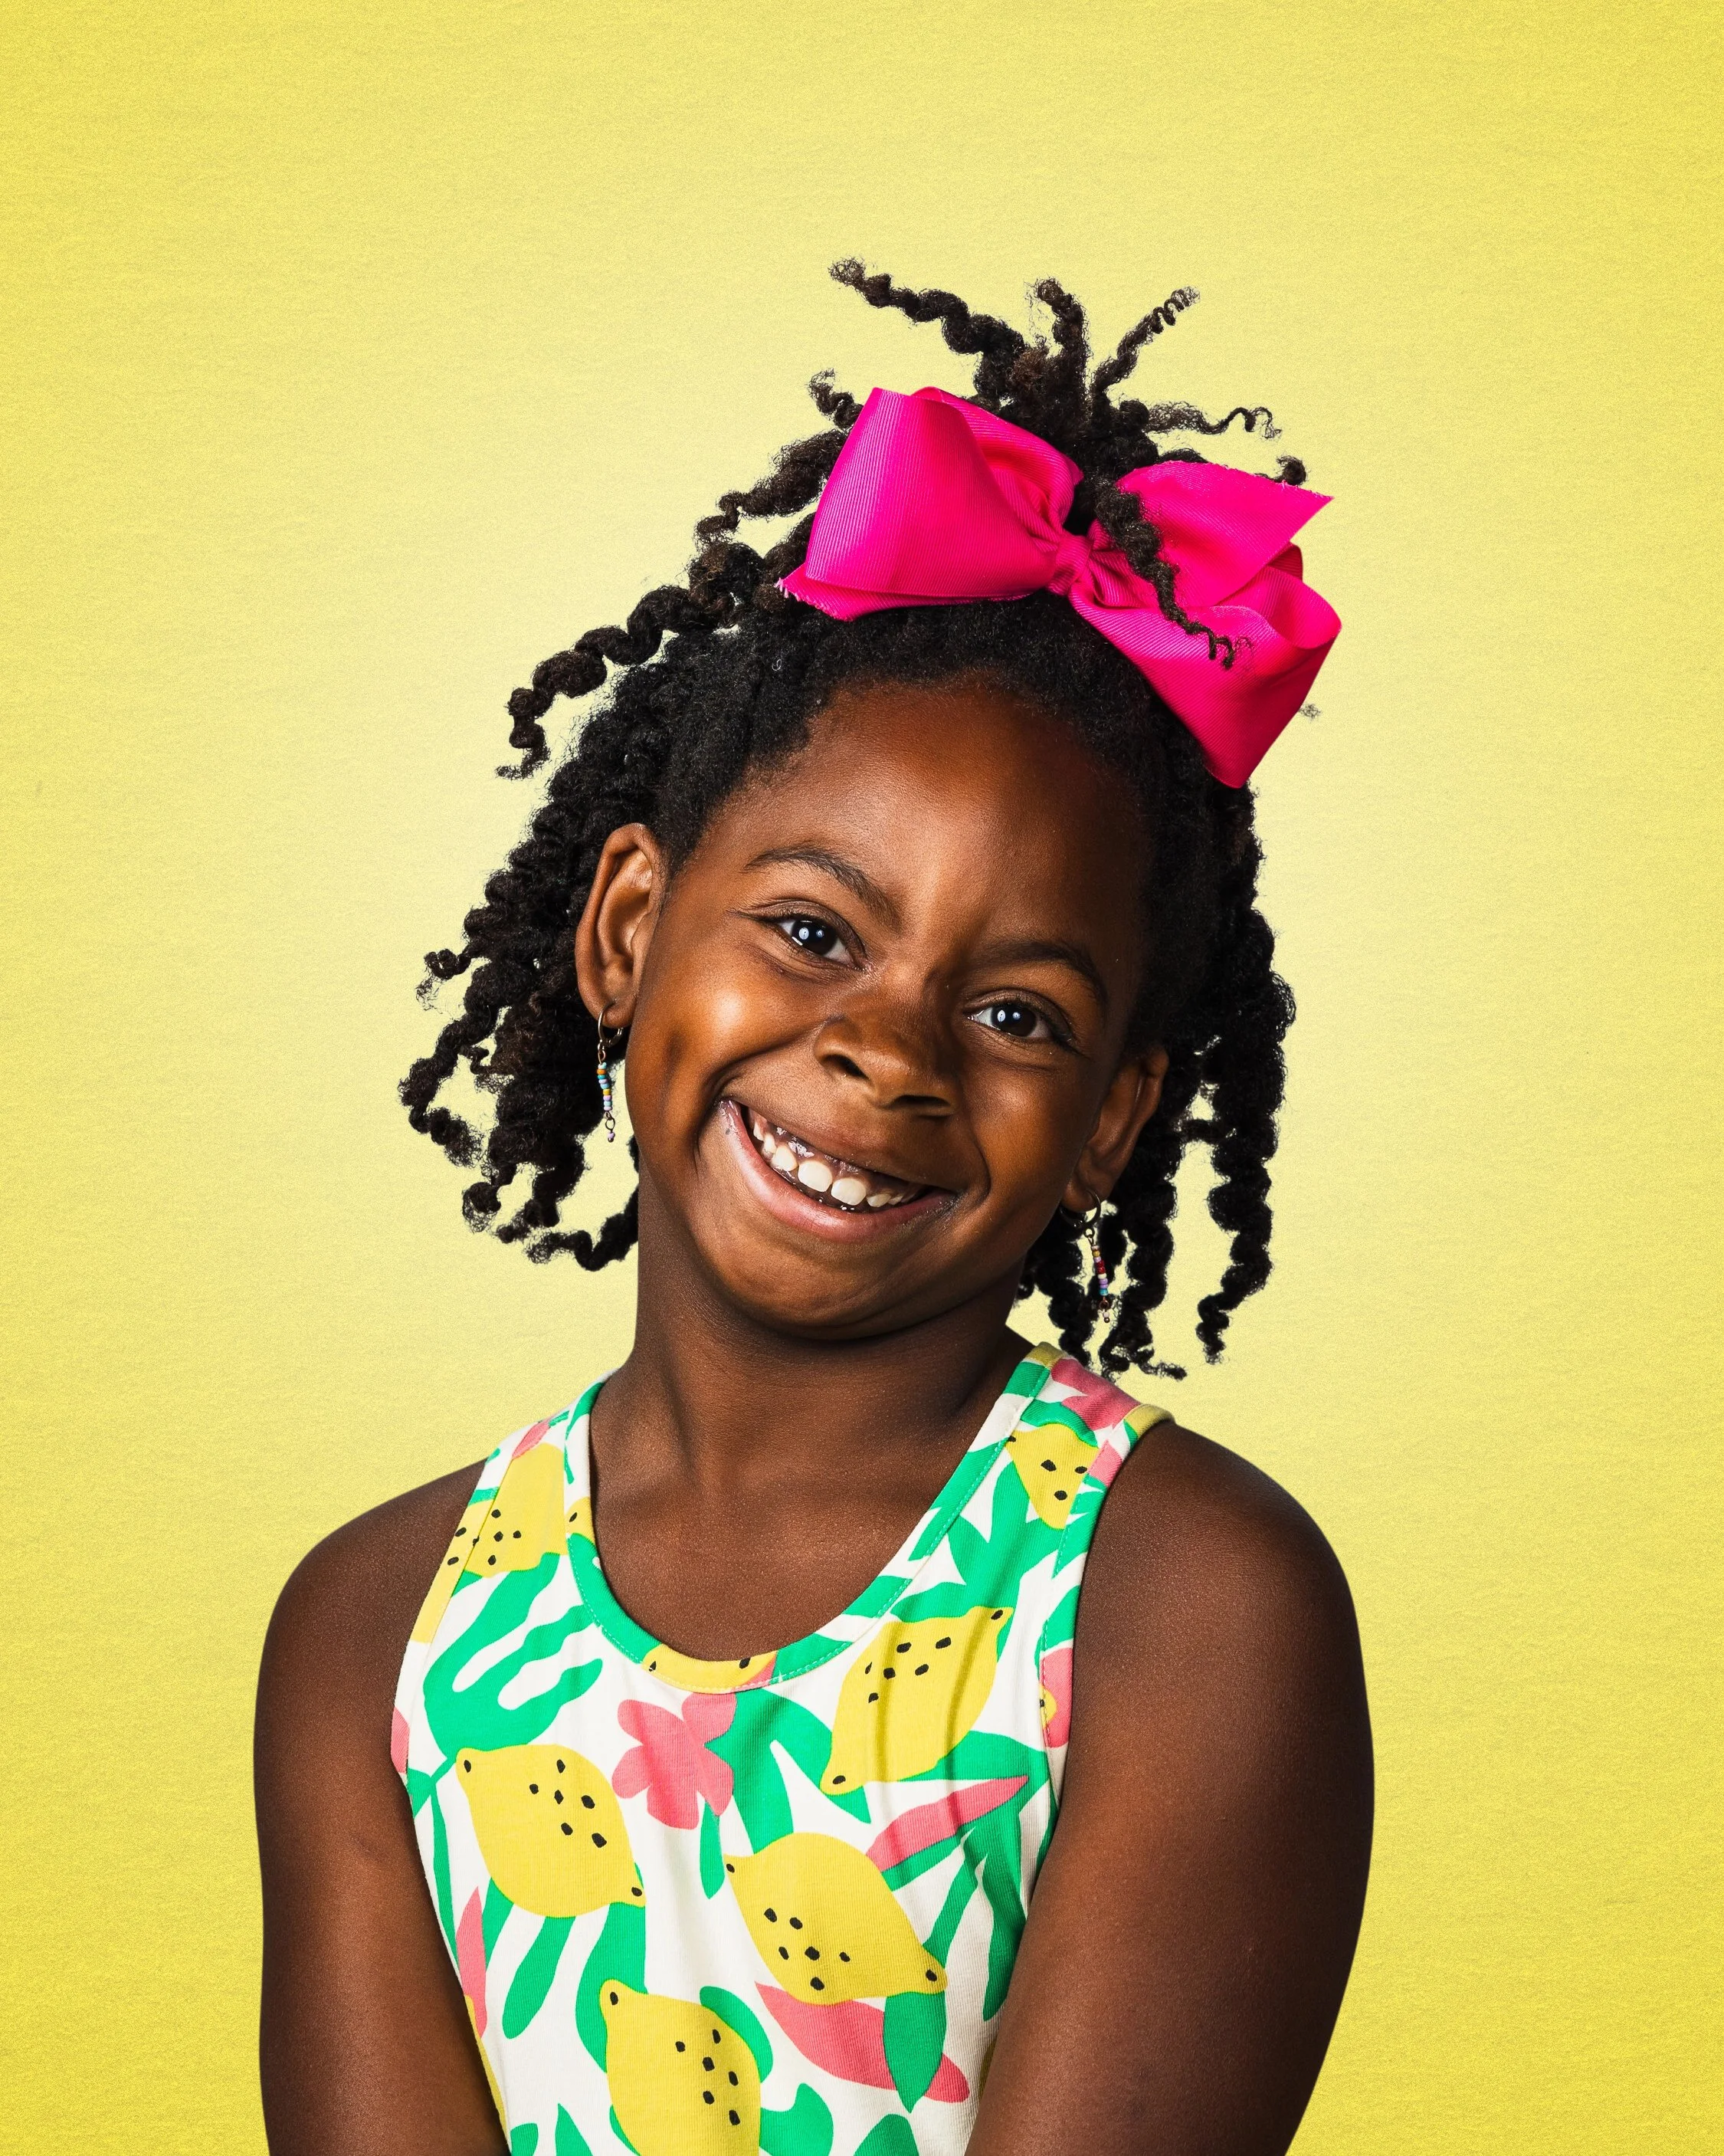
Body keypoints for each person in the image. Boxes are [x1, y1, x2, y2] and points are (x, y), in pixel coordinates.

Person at [255, 263, 1373, 2156]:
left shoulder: (1179, 1606)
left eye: (1015, 1011)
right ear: (626, 930)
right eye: (811, 931)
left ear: (1113, 1120)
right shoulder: (379, 1627)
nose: (888, 1047)